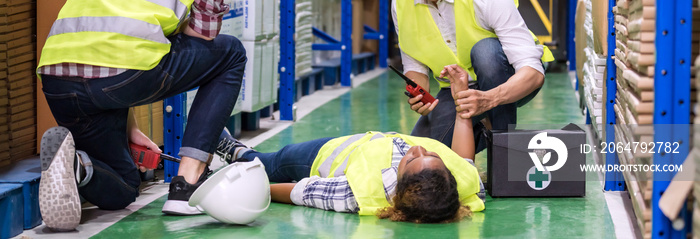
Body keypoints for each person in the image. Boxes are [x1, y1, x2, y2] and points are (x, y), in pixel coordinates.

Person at [36, 0, 246, 231]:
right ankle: (187, 185)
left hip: (57, 78)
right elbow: (202, 34)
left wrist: (131, 128)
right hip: (123, 71)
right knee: (231, 54)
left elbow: (106, 33)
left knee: (124, 186)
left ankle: (78, 166)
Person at [219, 65, 485, 223]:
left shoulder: (357, 194)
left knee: (273, 162)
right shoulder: (460, 186)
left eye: (413, 160)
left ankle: (236, 152)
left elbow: (300, 191)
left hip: (326, 156)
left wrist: (255, 188)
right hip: (370, 142)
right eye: (432, 155)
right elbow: (465, 162)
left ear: (398, 186)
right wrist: (460, 98)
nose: (418, 149)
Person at [392, 0, 554, 151]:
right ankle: (482, 127)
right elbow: (415, 66)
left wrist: (489, 99)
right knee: (422, 152)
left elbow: (533, 73)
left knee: (486, 52)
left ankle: (502, 153)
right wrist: (420, 95)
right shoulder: (400, 5)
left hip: (508, 77)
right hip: (456, 89)